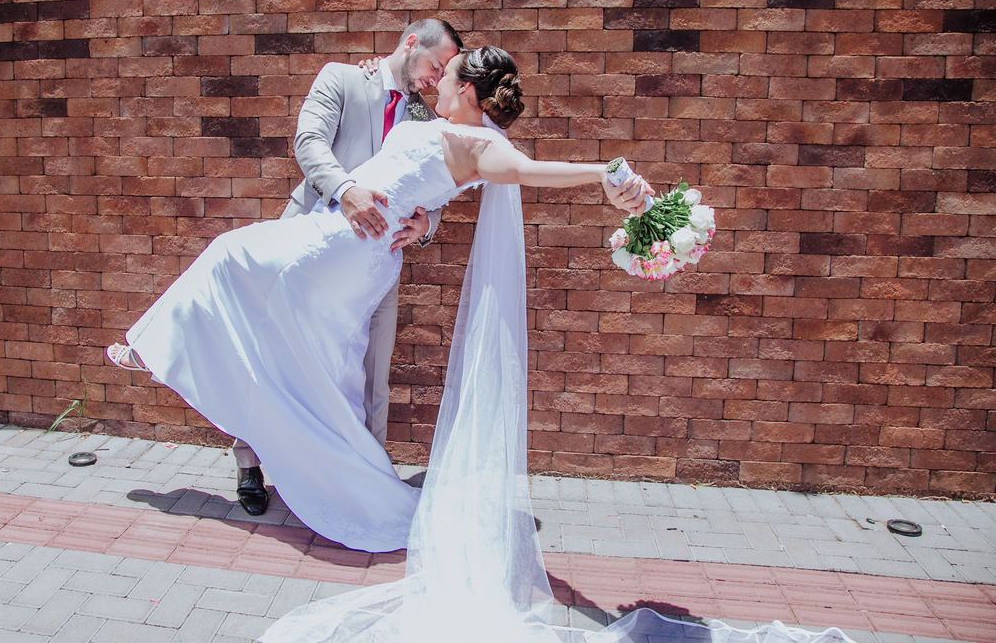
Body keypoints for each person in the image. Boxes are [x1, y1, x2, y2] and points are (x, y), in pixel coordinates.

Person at [106, 46, 652, 551]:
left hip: (338, 245)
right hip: (360, 255)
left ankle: (153, 347)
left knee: (229, 255)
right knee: (328, 371)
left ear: (466, 89)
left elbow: (527, 172)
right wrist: (422, 214)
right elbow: (412, 167)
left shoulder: (482, 144)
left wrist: (602, 174)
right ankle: (354, 487)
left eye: (447, 75)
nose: (437, 82)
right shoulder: (440, 124)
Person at [224, 19, 464, 516]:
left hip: (377, 259)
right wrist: (345, 189)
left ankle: (368, 479)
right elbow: (309, 141)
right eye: (435, 65)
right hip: (311, 247)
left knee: (374, 374)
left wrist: (428, 224)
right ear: (411, 43)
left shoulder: (427, 114)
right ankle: (249, 462)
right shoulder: (343, 78)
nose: (436, 78)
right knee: (275, 356)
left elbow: (438, 185)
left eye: (445, 72)